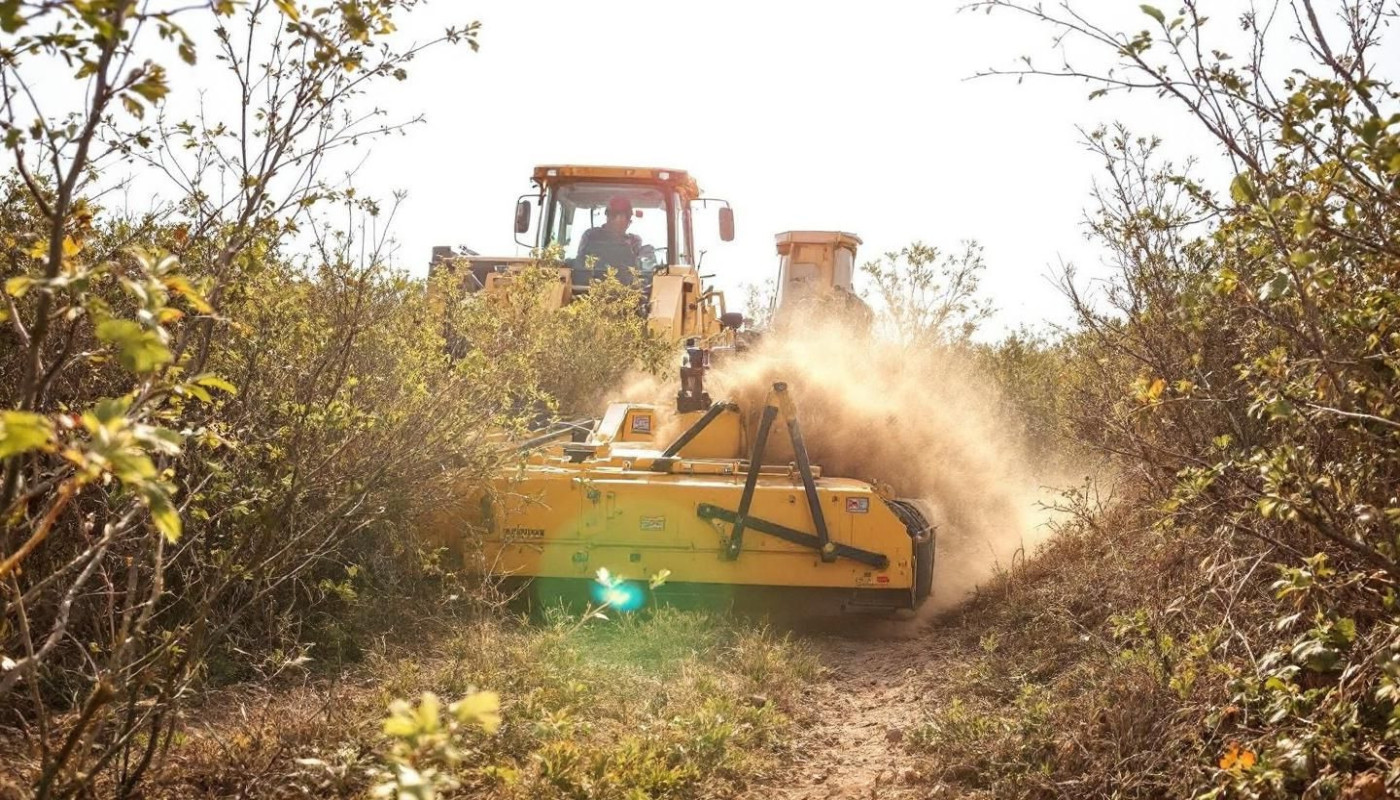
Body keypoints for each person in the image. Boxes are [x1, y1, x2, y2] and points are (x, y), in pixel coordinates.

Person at [575, 195, 643, 284]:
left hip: (626, 290)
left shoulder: (634, 241)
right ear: (607, 216)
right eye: (614, 214)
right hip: (588, 288)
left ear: (629, 220)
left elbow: (642, 271)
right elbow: (579, 266)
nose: (619, 219)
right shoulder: (591, 236)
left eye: (626, 215)